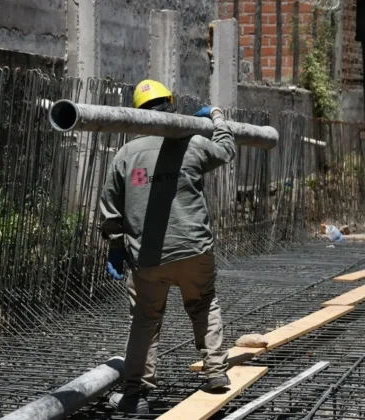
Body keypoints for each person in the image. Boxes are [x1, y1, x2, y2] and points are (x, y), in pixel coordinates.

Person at [99, 79, 234, 414]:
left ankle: (136, 395)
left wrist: (115, 244)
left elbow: (110, 206)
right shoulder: (192, 143)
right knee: (203, 304)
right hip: (193, 249)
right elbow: (227, 150)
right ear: (170, 107)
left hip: (149, 258)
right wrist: (217, 116)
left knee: (145, 319)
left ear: (137, 114)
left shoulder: (126, 156)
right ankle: (216, 372)